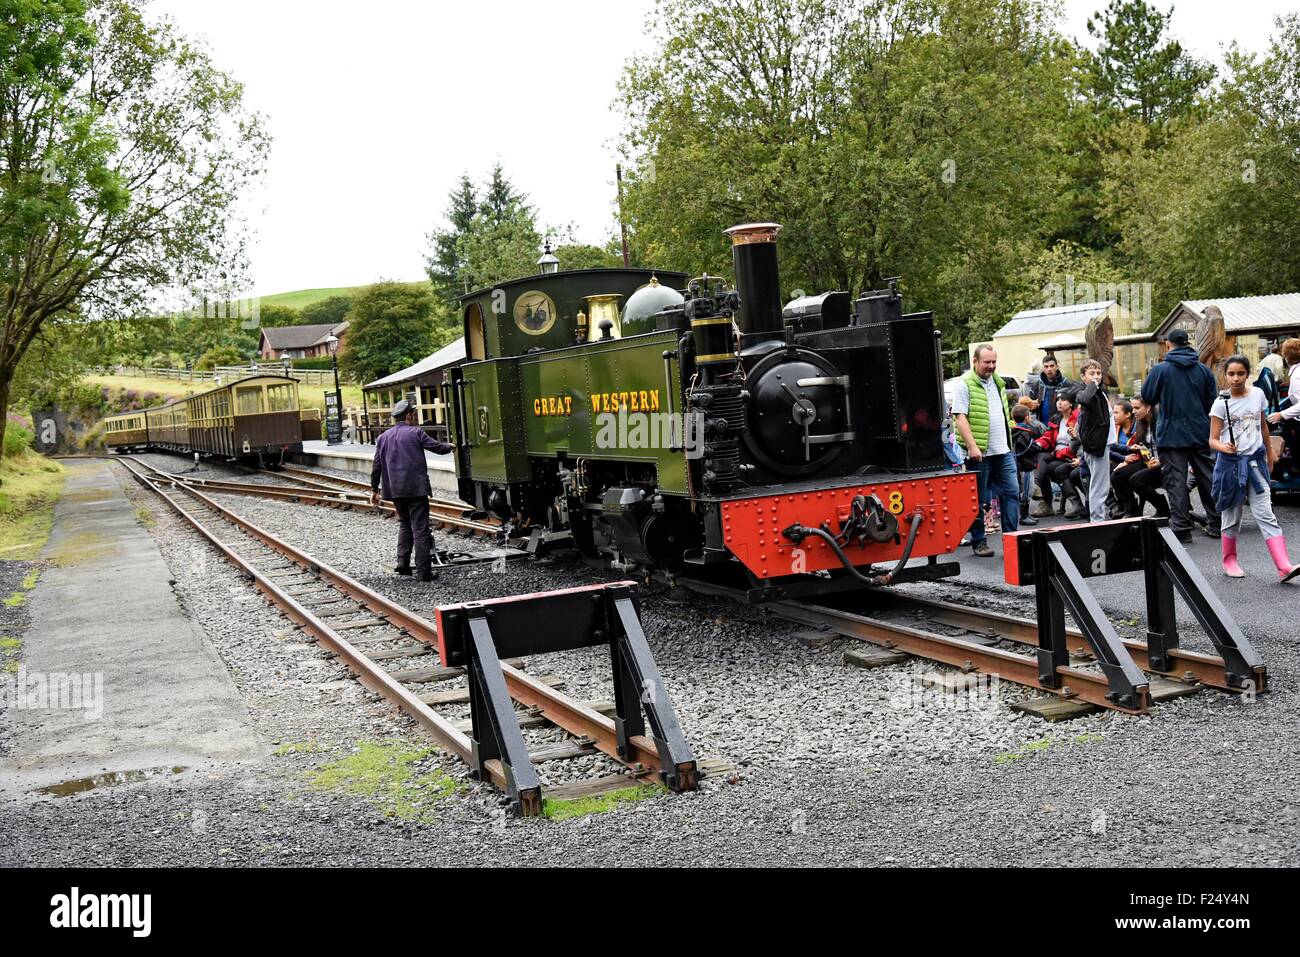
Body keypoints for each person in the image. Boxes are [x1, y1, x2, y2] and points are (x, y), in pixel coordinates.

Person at [1209, 355, 1300, 582]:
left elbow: (1262, 426)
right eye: (1231, 374)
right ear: (1225, 375)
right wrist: (1223, 446)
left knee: (1266, 513)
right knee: (1231, 516)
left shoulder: (1258, 395)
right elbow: (1212, 439)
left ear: (1248, 374)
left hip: (1255, 462)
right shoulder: (1221, 402)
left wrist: (1269, 451)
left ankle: (1284, 566)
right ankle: (1229, 560)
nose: (1236, 378)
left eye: (1240, 373)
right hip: (1230, 465)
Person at [1140, 327, 1221, 543]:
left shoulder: (1161, 370)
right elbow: (1213, 402)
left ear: (1168, 344)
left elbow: (1147, 395)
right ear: (1187, 343)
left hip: (1171, 434)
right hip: (1201, 431)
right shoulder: (1203, 371)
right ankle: (1217, 523)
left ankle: (1182, 528)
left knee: (1175, 481)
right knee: (1208, 477)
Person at [369, 399, 454, 581]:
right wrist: (451, 447)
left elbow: (376, 466)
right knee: (420, 528)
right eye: (413, 414)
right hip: (416, 489)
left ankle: (403, 564)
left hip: (395, 491)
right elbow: (437, 447)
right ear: (408, 415)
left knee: (405, 523)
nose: (414, 417)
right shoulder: (416, 432)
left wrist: (374, 490)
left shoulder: (383, 438)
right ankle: (424, 572)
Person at [951, 344, 1020, 557]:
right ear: (975, 361)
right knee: (978, 500)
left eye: (993, 362)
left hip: (1003, 451)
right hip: (980, 454)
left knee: (1011, 493)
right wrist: (972, 446)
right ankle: (979, 541)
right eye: (987, 362)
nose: (991, 366)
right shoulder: (965, 384)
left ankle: (1012, 539)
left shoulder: (998, 383)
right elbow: (959, 416)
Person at [1075, 359, 1115, 522]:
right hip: (1096, 445)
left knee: (1100, 485)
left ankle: (1097, 519)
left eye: (1098, 373)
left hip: (1103, 444)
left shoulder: (1100, 392)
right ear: (1083, 376)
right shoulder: (1085, 391)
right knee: (1099, 486)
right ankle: (1097, 520)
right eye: (1092, 373)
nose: (1096, 376)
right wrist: (1092, 384)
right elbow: (1083, 399)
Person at [1032, 391, 1082, 517]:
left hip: (1071, 455)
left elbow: (1077, 443)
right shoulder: (1056, 418)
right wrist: (1037, 443)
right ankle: (1044, 497)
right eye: (1058, 400)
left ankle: (1047, 498)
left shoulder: (1078, 418)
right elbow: (1047, 437)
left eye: (1063, 400)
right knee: (1040, 457)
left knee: (1050, 468)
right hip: (1057, 453)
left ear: (1071, 404)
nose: (1059, 402)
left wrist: (1059, 453)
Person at [1012, 402, 1045, 526]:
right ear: (1026, 417)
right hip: (1026, 466)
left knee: (1025, 490)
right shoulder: (1025, 432)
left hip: (1020, 465)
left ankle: (1026, 515)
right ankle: (1024, 516)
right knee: (1027, 491)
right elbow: (1030, 448)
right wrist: (1039, 445)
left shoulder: (1015, 431)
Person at [1025, 354, 1074, 419]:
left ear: (1057, 367)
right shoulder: (1038, 384)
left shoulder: (1066, 383)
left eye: (1052, 366)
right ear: (1043, 368)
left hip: (1060, 424)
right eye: (1046, 366)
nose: (1049, 369)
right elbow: (1030, 405)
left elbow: (1073, 406)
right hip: (1042, 425)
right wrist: (1032, 406)